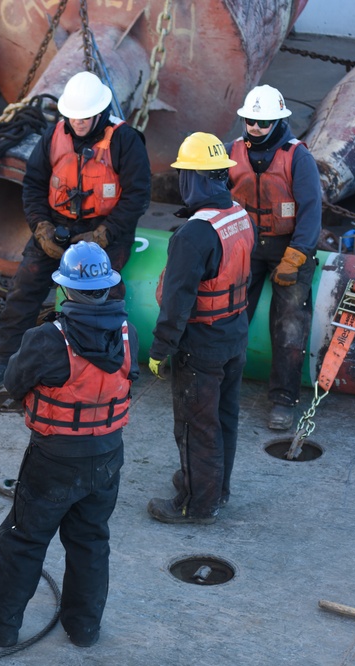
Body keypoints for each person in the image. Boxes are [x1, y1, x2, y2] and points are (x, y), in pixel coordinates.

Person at [0, 242, 137, 649]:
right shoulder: (128, 332)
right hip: (106, 456)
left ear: (65, 289)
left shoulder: (47, 338)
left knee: (24, 538)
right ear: (106, 287)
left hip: (55, 457)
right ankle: (84, 629)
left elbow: (13, 383)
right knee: (90, 541)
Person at [0, 71, 150, 388]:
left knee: (104, 297)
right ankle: (3, 360)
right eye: (73, 117)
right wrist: (41, 227)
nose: (78, 123)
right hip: (57, 225)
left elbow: (138, 197)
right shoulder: (54, 136)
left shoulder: (125, 140)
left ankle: (114, 367)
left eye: (85, 118)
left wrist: (104, 234)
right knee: (24, 289)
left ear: (100, 112)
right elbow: (33, 186)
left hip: (105, 230)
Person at [147, 133, 255, 525]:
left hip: (202, 344)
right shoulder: (240, 216)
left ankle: (196, 503)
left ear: (193, 179)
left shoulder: (194, 235)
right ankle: (218, 489)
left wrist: (160, 350)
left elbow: (177, 301)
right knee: (224, 418)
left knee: (196, 426)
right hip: (235, 334)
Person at [227, 85, 321, 430]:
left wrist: (295, 257)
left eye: (263, 123)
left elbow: (311, 211)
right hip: (246, 246)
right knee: (229, 314)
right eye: (250, 121)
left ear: (278, 122)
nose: (255, 128)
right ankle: (223, 387)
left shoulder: (298, 158)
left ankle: (283, 400)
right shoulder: (232, 153)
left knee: (291, 323)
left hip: (288, 247)